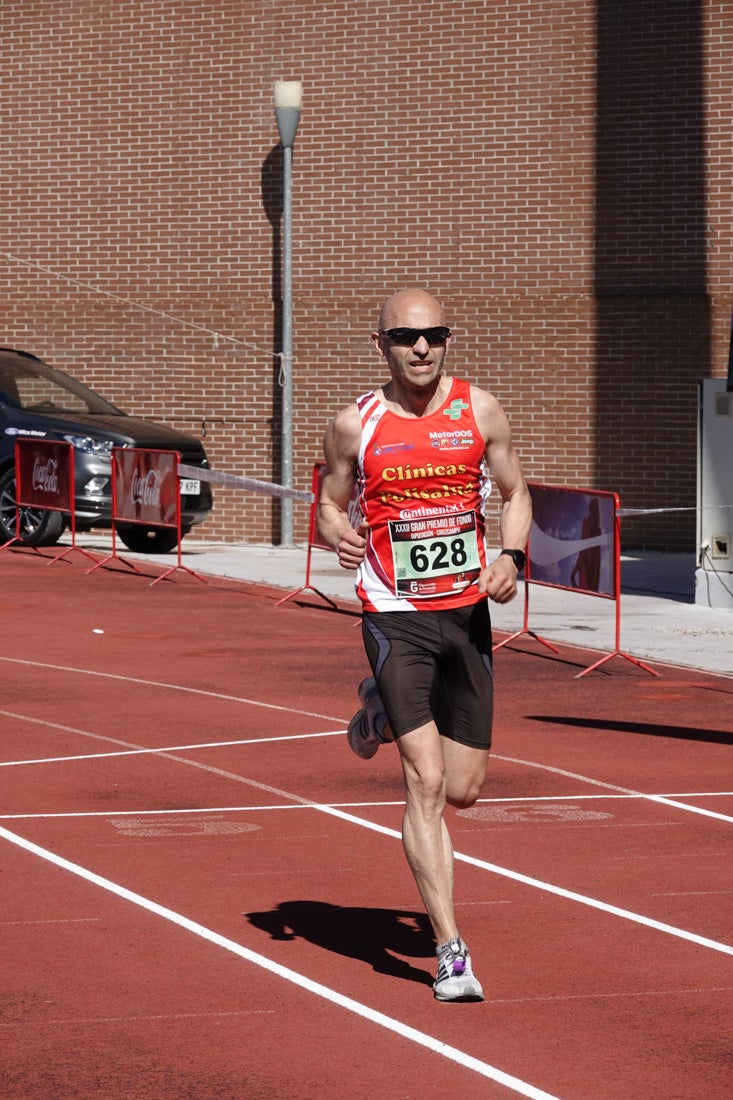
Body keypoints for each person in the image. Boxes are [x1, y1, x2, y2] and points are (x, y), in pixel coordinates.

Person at [317, 289, 531, 1003]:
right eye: (406, 337)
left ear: (447, 340)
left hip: (465, 613)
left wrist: (509, 557)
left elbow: (514, 490)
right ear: (379, 344)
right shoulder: (355, 423)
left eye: (433, 335)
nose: (421, 348)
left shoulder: (480, 410)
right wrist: (335, 534)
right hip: (393, 613)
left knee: (466, 791)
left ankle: (376, 709)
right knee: (427, 783)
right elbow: (328, 500)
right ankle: (450, 951)